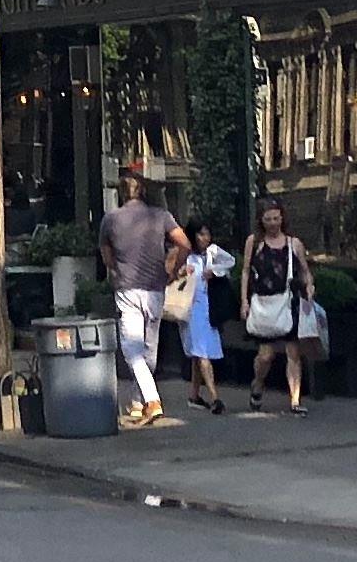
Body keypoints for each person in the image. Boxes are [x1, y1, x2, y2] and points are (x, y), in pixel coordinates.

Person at [99, 171, 182, 428]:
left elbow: (106, 256)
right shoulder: (161, 216)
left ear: (120, 193)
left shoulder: (110, 219)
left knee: (132, 350)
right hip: (155, 287)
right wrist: (173, 270)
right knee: (149, 350)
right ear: (143, 192)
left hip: (127, 288)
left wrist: (115, 270)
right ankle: (138, 403)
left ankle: (152, 401)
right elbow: (185, 244)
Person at [241, 200, 316, 415]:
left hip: (288, 302)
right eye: (268, 219)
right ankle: (258, 383)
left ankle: (295, 400)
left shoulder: (293, 244)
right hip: (263, 303)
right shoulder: (254, 242)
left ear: (282, 218)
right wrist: (244, 301)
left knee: (293, 352)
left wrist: (309, 285)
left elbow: (305, 270)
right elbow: (245, 270)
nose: (273, 223)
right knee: (265, 355)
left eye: (276, 218)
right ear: (261, 220)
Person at [171, 227, 228, 414]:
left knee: (198, 352)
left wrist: (215, 272)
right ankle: (215, 397)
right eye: (201, 234)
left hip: (207, 308)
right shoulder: (185, 255)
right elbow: (169, 272)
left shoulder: (212, 253)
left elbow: (229, 262)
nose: (205, 238)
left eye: (207, 234)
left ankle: (194, 395)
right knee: (202, 352)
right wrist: (180, 272)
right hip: (190, 308)